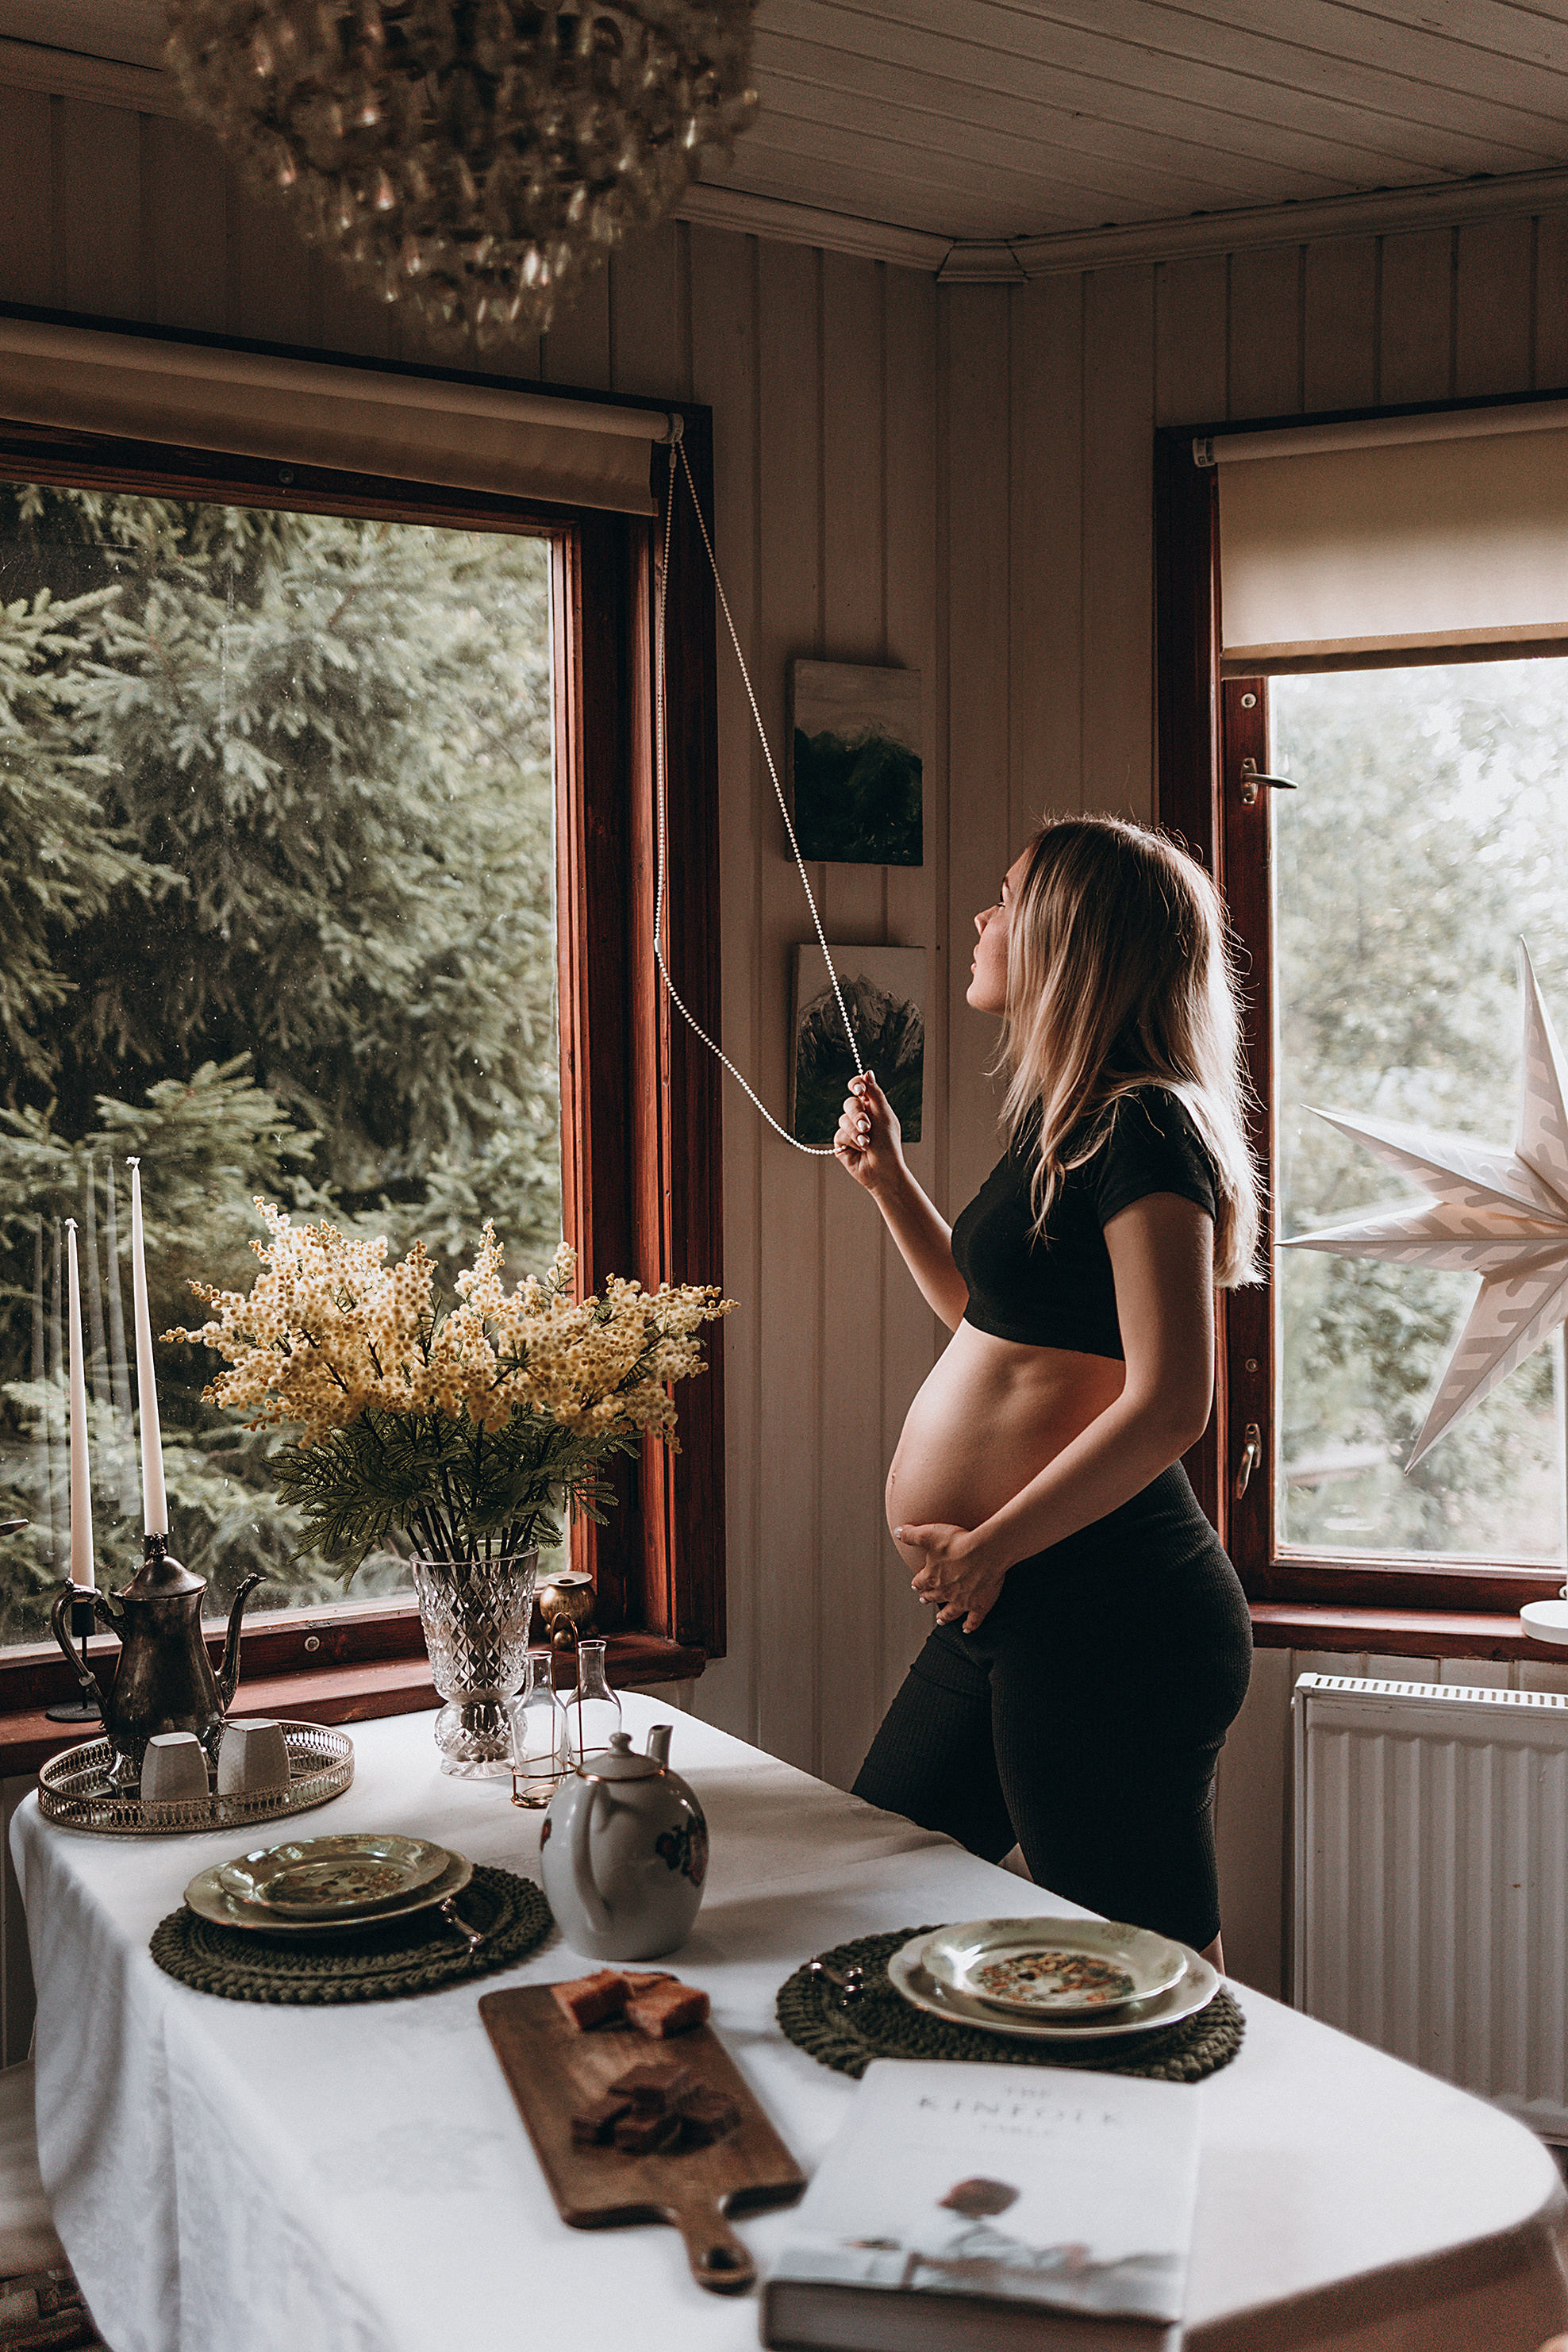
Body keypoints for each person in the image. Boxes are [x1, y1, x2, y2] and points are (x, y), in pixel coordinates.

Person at [834, 814, 1259, 1967]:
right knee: (872, 1885)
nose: (982, 919)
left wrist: (990, 1547)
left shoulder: (1147, 1127)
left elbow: (1173, 1402)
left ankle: (1219, 2100)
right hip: (1014, 1604)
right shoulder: (1068, 1123)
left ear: (1072, 937)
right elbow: (992, 1320)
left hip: (1113, 1614)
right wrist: (890, 1184)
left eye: (1009, 898)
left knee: (1152, 1970)